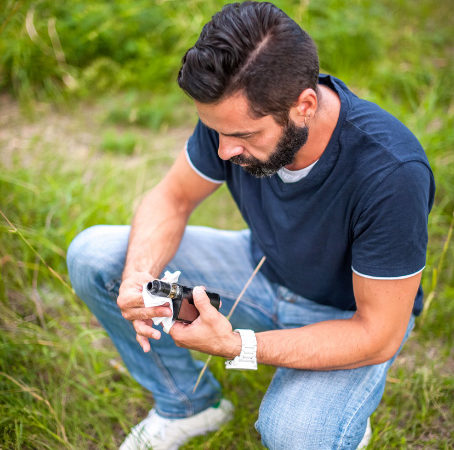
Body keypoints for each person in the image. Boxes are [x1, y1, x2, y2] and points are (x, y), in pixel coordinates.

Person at [67, 2, 435, 449]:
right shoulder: (230, 120)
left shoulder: (392, 171)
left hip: (348, 316)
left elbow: (378, 333)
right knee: (96, 256)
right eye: (216, 131)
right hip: (258, 269)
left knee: (297, 435)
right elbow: (172, 197)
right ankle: (189, 405)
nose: (223, 151)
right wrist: (137, 277)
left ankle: (335, 410)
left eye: (243, 137)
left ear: (304, 106)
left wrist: (240, 345)